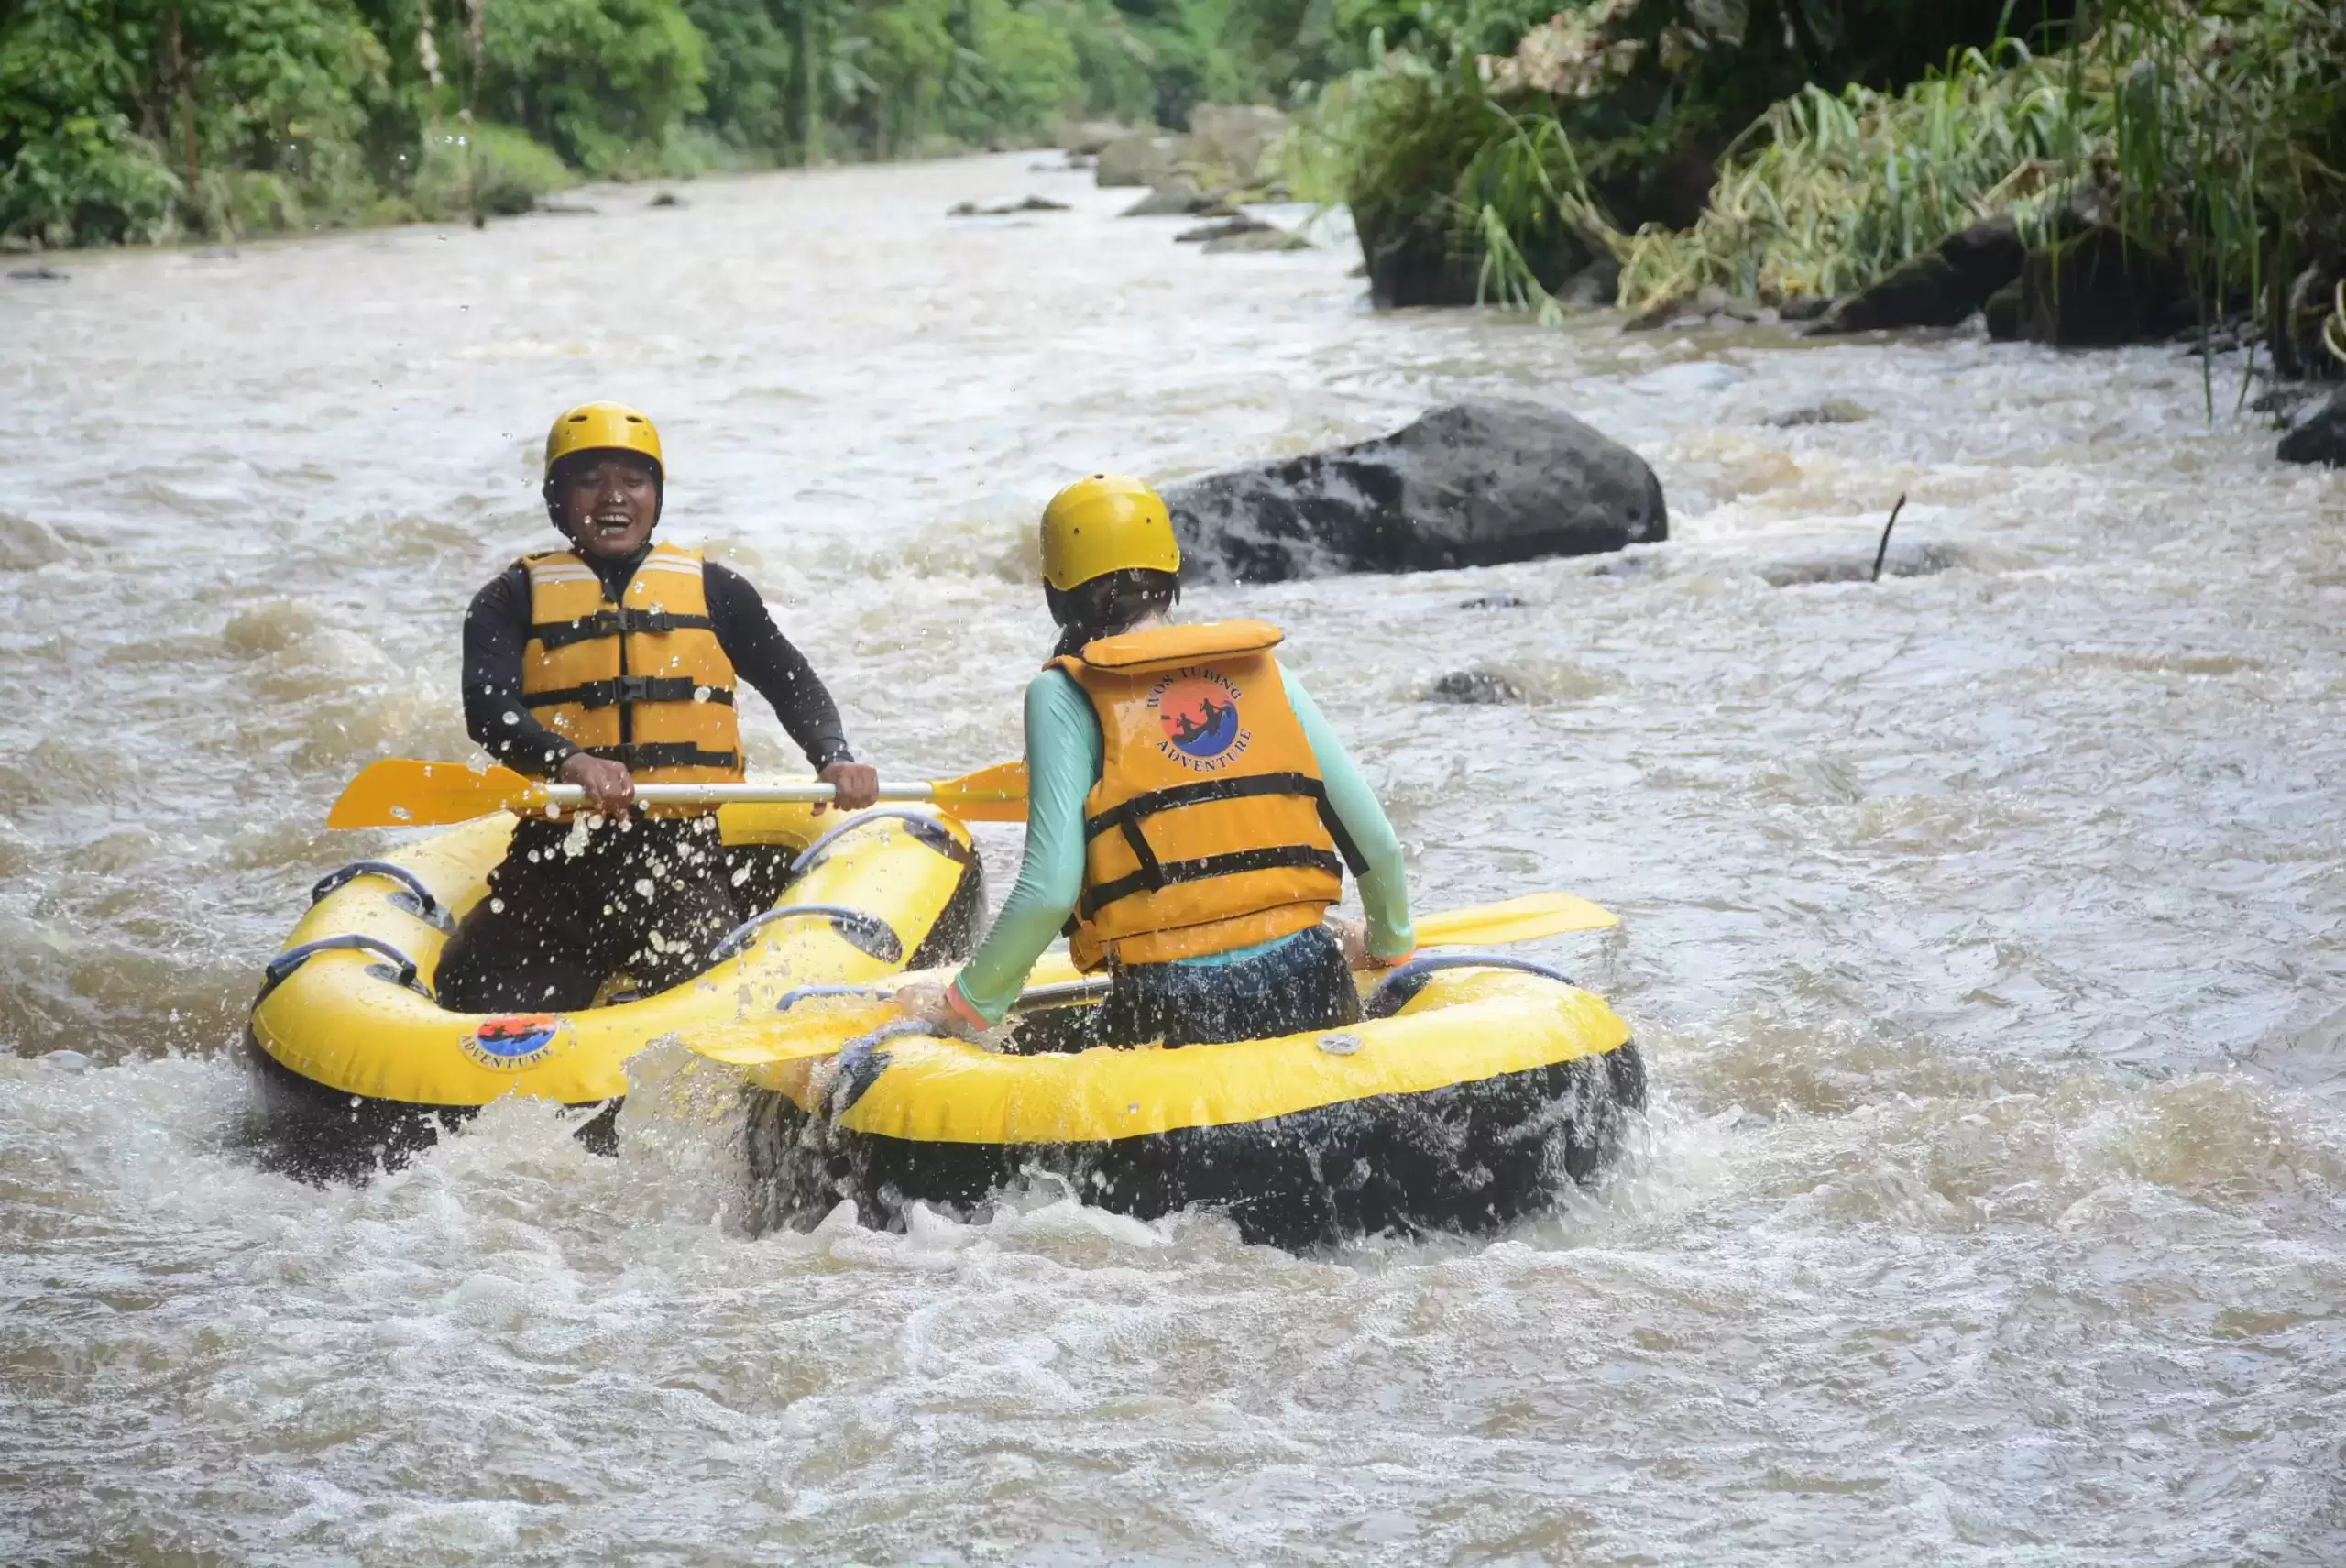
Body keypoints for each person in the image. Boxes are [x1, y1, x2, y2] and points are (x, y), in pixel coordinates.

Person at [896, 473, 1415, 1047]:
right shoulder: (1261, 671)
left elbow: (1049, 892)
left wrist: (963, 1005)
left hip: (1168, 1005)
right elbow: (1377, 845)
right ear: (1173, 575)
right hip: (1312, 982)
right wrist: (1387, 944)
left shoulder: (1062, 694)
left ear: (1054, 592)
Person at [435, 401, 879, 1012]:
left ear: (656, 495)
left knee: (715, 1013)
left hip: (678, 859)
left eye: (634, 480)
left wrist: (834, 757)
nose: (613, 497)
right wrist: (568, 760)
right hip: (555, 858)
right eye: (590, 480)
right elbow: (487, 707)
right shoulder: (510, 598)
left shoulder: (716, 590)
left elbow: (791, 682)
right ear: (558, 497)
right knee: (470, 1001)